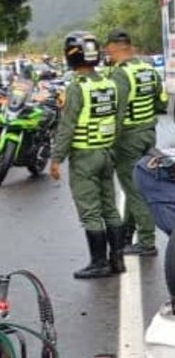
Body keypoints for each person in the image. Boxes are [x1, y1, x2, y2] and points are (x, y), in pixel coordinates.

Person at [50, 31, 126, 279]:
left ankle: (98, 263)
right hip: (106, 153)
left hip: (84, 157)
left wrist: (56, 159)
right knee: (110, 208)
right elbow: (117, 120)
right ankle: (117, 260)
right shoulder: (108, 84)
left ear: (71, 57)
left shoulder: (77, 88)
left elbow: (67, 127)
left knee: (91, 212)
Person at [105, 28, 168, 257]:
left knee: (133, 190)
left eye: (108, 48)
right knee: (138, 183)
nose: (106, 52)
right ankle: (126, 233)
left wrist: (109, 142)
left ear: (115, 47)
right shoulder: (148, 69)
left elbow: (117, 112)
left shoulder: (120, 74)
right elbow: (162, 102)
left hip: (128, 138)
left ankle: (146, 241)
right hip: (148, 133)